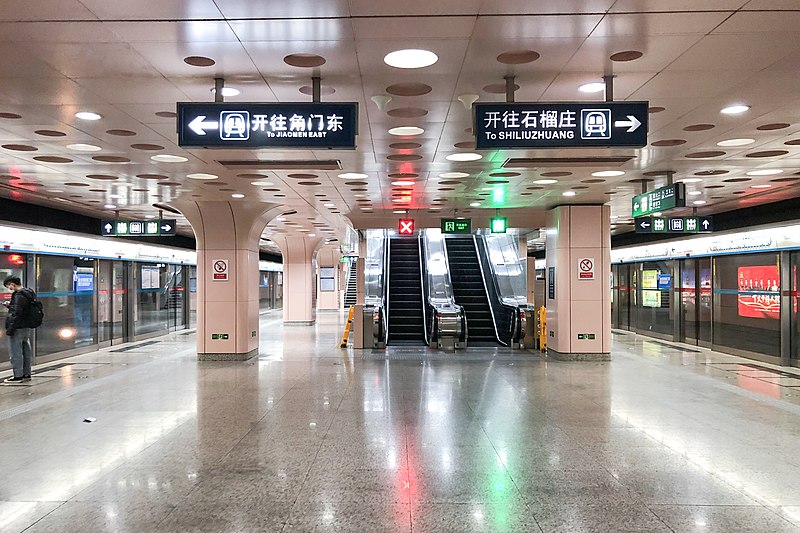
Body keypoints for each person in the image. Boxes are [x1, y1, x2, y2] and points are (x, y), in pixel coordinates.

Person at [4, 276, 35, 383]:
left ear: (12, 284)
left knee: (15, 352)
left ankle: (17, 375)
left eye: (8, 285)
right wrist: (10, 306)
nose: (9, 288)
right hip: (26, 327)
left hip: (18, 327)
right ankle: (27, 374)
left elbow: (16, 314)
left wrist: (11, 329)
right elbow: (22, 309)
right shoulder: (29, 293)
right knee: (26, 350)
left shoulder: (18, 295)